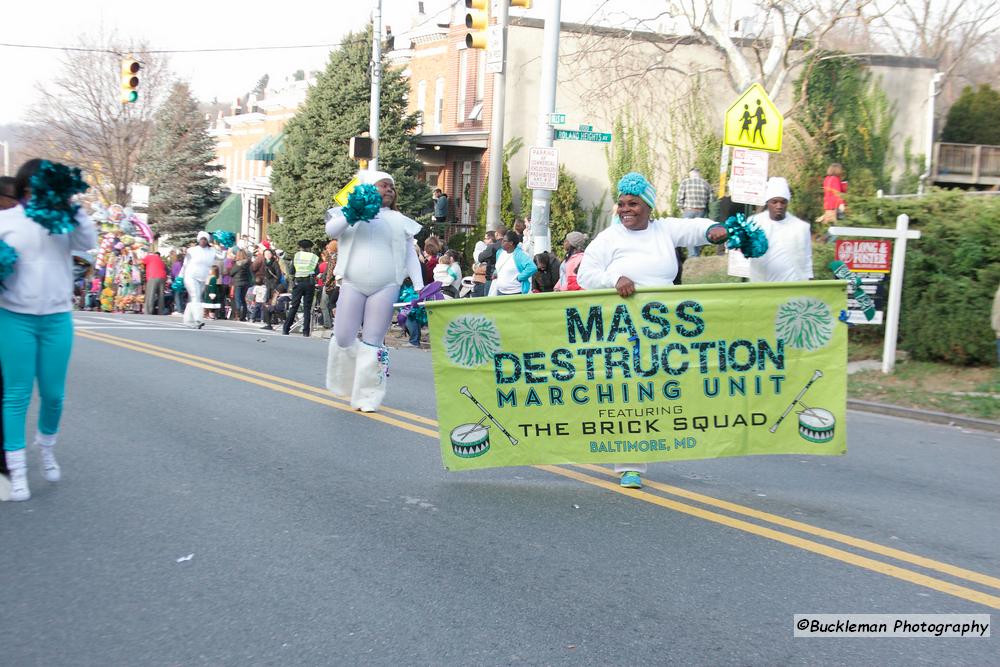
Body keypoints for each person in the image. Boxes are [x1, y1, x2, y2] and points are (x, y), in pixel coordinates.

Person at [577, 172, 728, 489]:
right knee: (633, 394)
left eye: (632, 203)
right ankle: (629, 464)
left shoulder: (664, 231)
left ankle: (678, 442)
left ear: (648, 205)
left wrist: (715, 230)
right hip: (625, 330)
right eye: (620, 204)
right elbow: (588, 274)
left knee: (666, 391)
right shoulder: (609, 239)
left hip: (668, 331)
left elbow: (694, 229)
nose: (625, 209)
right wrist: (615, 278)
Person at [0, 158, 98, 501]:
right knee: (16, 394)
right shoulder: (6, 220)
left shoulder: (64, 220)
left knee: (54, 395)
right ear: (26, 188)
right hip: (14, 317)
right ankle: (17, 472)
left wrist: (72, 207)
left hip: (57, 319)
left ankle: (46, 449)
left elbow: (88, 242)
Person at [325, 170, 424, 412]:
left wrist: (420, 287)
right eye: (383, 185)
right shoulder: (348, 215)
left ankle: (368, 396)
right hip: (352, 283)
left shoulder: (399, 220)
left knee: (373, 342)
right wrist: (353, 213)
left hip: (386, 285)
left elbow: (410, 253)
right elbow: (332, 232)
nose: (389, 190)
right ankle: (349, 384)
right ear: (369, 188)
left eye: (391, 187)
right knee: (344, 337)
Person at [747, 177, 813, 283]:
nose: (779, 206)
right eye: (775, 202)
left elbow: (807, 260)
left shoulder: (801, 227)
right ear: (768, 202)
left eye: (783, 202)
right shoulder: (754, 223)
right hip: (762, 286)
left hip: (793, 286)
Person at [180, 231, 224, 328]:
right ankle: (198, 320)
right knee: (196, 296)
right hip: (190, 276)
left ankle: (188, 320)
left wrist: (219, 248)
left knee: (195, 298)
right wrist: (180, 275)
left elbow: (222, 257)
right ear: (198, 240)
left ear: (208, 241)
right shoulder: (192, 250)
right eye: (201, 239)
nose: (203, 241)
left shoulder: (212, 251)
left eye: (205, 239)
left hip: (202, 278)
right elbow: (185, 263)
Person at [282, 239, 320, 337]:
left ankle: (286, 328)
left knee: (294, 306)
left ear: (301, 247)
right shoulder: (314, 257)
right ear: (309, 248)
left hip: (298, 283)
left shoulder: (297, 256)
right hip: (309, 283)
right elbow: (316, 271)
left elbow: (291, 271)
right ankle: (306, 331)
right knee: (307, 308)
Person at [676, 167, 714, 257]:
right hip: (701, 211)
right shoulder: (706, 184)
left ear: (690, 174)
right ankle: (696, 254)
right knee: (699, 233)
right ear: (699, 174)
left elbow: (679, 198)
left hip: (688, 210)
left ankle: (692, 255)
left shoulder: (685, 182)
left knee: (688, 233)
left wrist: (682, 208)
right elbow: (712, 200)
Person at [488, 230, 536, 296]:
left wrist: (520, 277)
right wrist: (496, 273)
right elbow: (499, 266)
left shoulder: (520, 255)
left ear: (511, 243)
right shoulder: (499, 252)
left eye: (504, 241)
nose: (502, 242)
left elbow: (532, 267)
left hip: (516, 292)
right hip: (500, 291)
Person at [229, 248, 252, 321]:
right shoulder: (248, 263)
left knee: (238, 299)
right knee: (243, 299)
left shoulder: (238, 264)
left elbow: (231, 273)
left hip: (238, 283)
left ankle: (238, 315)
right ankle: (243, 316)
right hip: (246, 283)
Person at [142, 250, 167, 315]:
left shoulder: (149, 257)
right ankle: (161, 311)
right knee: (161, 295)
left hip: (153, 276)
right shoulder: (160, 260)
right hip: (163, 277)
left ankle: (148, 311)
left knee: (150, 295)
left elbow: (138, 262)